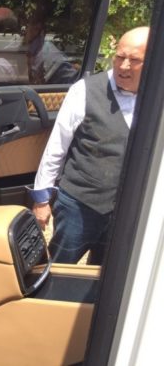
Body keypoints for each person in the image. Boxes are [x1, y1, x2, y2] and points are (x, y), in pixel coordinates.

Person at [30, 26, 150, 265]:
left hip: (127, 209)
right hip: (79, 205)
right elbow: (56, 147)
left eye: (134, 60)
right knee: (59, 267)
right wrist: (42, 200)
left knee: (106, 274)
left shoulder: (155, 97)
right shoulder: (84, 91)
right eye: (120, 57)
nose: (124, 66)